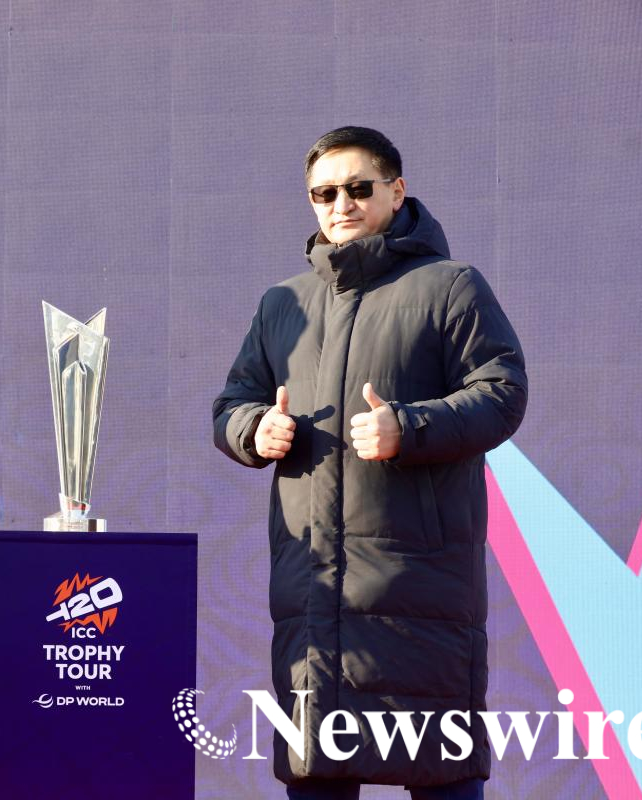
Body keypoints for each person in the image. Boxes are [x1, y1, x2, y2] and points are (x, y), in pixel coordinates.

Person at [212, 126, 527, 800]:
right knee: (316, 779)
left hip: (421, 599)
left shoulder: (451, 287)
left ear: (397, 190)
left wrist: (407, 426)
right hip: (312, 600)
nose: (341, 204)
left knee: (441, 776)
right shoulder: (283, 304)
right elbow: (232, 403)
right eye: (324, 193)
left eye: (358, 188)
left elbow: (503, 393)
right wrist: (255, 429)